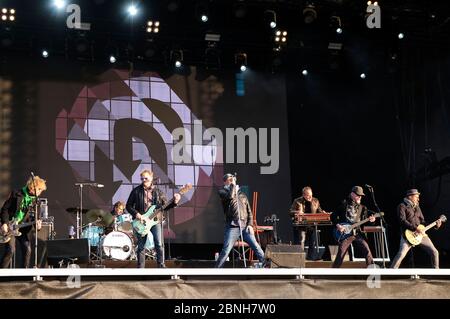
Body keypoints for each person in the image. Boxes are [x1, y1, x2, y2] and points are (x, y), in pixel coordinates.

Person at [126, 169, 180, 268]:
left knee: (158, 243)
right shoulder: (136, 191)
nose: (144, 180)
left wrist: (175, 202)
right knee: (141, 246)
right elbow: (128, 206)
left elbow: (165, 206)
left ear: (151, 178)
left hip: (155, 221)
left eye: (146, 178)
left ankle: (161, 265)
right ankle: (140, 267)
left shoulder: (158, 192)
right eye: (142, 178)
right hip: (141, 221)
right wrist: (137, 214)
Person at [215, 173, 266, 268]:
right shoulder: (222, 192)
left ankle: (266, 265)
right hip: (232, 226)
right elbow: (230, 197)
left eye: (232, 179)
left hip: (245, 226)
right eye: (229, 179)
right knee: (226, 249)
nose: (231, 181)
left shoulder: (242, 195)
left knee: (256, 246)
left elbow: (249, 211)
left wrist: (250, 225)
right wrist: (233, 186)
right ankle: (217, 270)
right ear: (225, 181)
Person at [0, 176, 46, 268]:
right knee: (10, 250)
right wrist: (4, 223)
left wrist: (38, 226)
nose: (40, 192)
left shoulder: (35, 201)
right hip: (10, 225)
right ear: (33, 188)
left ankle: (24, 277)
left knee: (27, 249)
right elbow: (5, 209)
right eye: (39, 189)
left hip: (22, 228)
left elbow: (34, 217)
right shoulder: (16, 193)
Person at [390, 189, 441, 269]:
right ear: (410, 197)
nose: (418, 199)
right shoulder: (402, 206)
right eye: (416, 197)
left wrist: (436, 225)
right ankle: (391, 272)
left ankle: (436, 272)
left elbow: (423, 221)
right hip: (408, 235)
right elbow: (402, 221)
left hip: (421, 234)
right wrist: (415, 228)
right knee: (401, 254)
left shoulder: (417, 207)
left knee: (434, 252)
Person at [332, 186, 376, 268]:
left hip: (357, 233)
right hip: (345, 234)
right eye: (358, 195)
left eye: (361, 195)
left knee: (366, 250)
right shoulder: (343, 204)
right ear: (352, 194)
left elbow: (364, 224)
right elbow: (333, 216)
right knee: (341, 252)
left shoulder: (362, 208)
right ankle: (334, 271)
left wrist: (372, 221)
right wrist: (338, 225)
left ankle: (372, 270)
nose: (360, 197)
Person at [289, 186, 326, 260]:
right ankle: (300, 259)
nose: (309, 197)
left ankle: (311, 259)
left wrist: (323, 213)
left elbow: (319, 211)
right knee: (301, 241)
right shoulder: (297, 201)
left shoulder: (315, 200)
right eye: (307, 195)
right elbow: (290, 212)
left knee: (313, 242)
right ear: (303, 195)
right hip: (302, 225)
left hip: (312, 224)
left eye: (310, 195)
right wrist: (297, 212)